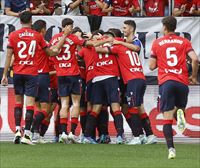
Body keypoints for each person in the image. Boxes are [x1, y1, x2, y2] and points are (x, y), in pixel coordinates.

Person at [1, 11, 70, 145]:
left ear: (20, 21)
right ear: (31, 21)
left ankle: (16, 130)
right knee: (31, 104)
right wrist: (55, 52)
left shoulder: (13, 35)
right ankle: (27, 134)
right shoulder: (37, 36)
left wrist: (4, 75)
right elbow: (49, 52)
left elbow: (9, 55)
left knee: (18, 102)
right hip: (32, 72)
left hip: (17, 72)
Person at [149, 16, 199, 159]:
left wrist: (162, 60)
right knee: (179, 110)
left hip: (167, 82)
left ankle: (171, 149)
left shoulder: (157, 43)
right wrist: (194, 77)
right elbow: (195, 59)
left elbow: (151, 66)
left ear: (164, 27)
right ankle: (180, 113)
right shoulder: (184, 41)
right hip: (182, 82)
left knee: (167, 118)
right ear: (175, 27)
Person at [50, 18, 95, 143]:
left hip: (61, 75)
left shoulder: (54, 38)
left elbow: (53, 51)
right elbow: (86, 44)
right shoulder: (72, 38)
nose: (70, 28)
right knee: (75, 103)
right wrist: (94, 40)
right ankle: (70, 132)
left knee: (64, 104)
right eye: (70, 26)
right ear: (64, 27)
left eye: (71, 26)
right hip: (73, 74)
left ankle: (65, 133)